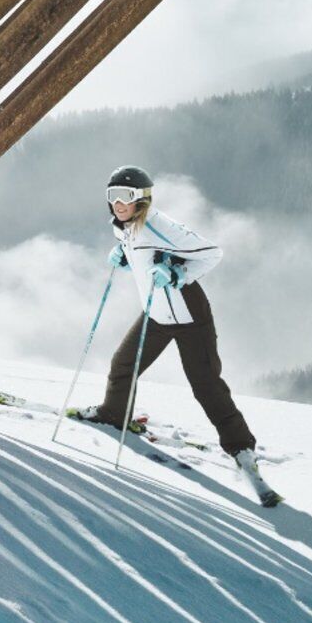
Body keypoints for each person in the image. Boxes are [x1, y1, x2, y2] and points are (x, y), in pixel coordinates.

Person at [84, 165, 280, 507]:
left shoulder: (160, 226)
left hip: (190, 316)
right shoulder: (124, 228)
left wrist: (175, 273)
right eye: (112, 196)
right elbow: (142, 254)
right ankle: (115, 414)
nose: (118, 203)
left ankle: (242, 448)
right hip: (156, 313)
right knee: (122, 365)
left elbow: (211, 253)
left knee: (205, 385)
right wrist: (127, 258)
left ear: (142, 200)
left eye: (125, 197)